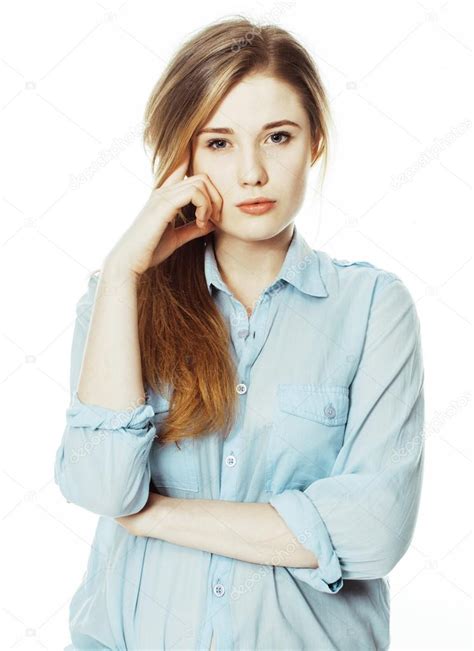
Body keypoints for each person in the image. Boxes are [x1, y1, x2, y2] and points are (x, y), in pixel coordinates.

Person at [54, 16, 425, 651]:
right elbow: (101, 487)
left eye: (277, 137)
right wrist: (121, 274)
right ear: (184, 159)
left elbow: (374, 530)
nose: (252, 172)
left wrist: (156, 515)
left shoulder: (372, 309)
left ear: (314, 143)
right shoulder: (121, 301)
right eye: (219, 143)